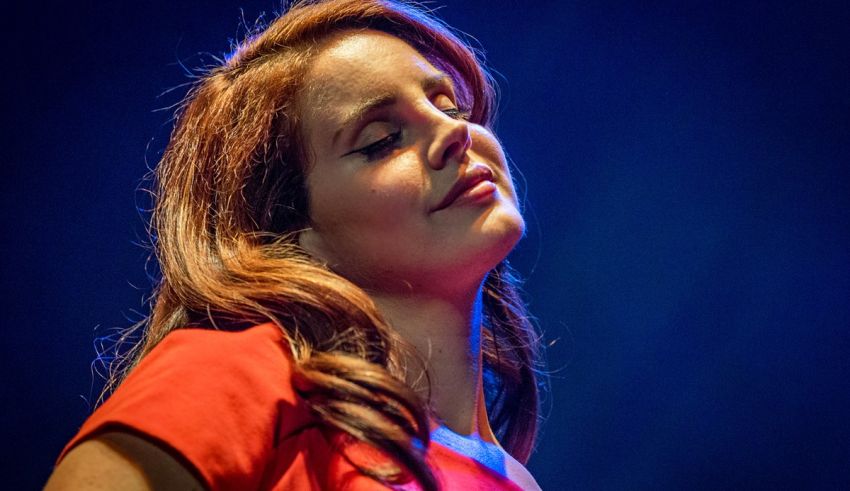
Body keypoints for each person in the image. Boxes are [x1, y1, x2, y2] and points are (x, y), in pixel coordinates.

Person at [45, 0, 543, 489]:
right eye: (381, 140)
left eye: (450, 106)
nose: (455, 132)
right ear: (291, 231)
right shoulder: (239, 372)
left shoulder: (514, 479)